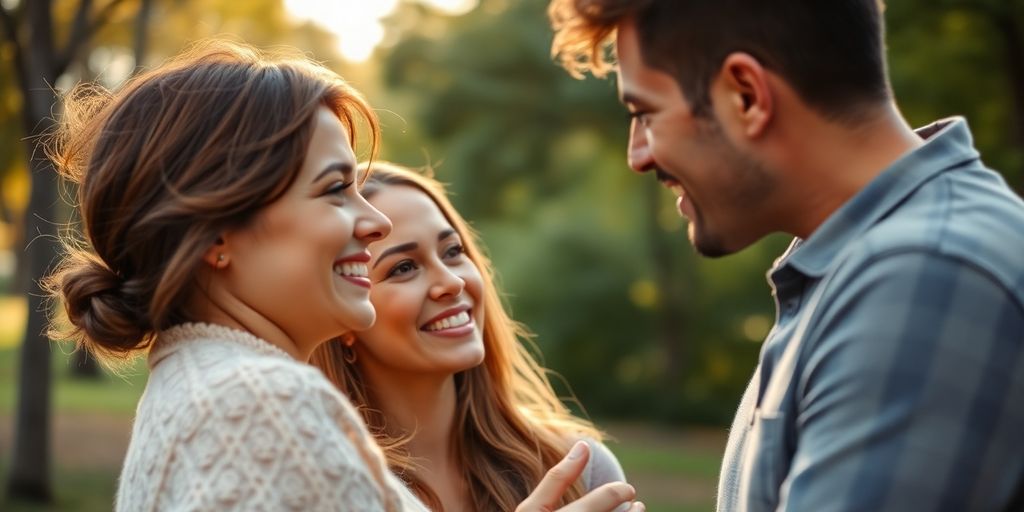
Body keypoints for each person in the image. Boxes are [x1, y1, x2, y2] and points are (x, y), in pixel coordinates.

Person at [46, 39, 639, 512]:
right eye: (336, 189)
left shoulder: (211, 392)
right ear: (217, 234)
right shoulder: (260, 405)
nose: (375, 220)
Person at [547, 1, 1024, 511]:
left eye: (645, 114)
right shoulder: (851, 272)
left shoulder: (925, 272)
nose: (638, 156)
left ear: (746, 95)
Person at [311, 162, 629, 512]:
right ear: (343, 319)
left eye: (452, 251)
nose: (452, 282)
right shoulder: (318, 491)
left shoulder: (580, 471)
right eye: (403, 267)